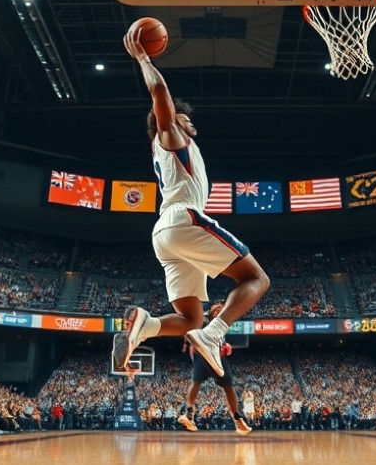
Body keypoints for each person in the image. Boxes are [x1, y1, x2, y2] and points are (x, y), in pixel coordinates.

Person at [112, 25, 270, 378]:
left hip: (165, 235)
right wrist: (143, 58)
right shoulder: (169, 137)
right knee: (256, 279)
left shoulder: (175, 150)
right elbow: (159, 91)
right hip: (183, 219)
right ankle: (214, 335)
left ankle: (147, 324)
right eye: (184, 119)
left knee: (189, 318)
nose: (190, 122)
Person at [176, 303, 251, 435]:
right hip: (202, 354)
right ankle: (189, 414)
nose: (220, 312)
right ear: (212, 310)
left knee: (229, 387)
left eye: (222, 310)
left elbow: (220, 339)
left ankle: (237, 418)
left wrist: (225, 345)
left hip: (217, 356)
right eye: (218, 309)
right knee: (196, 382)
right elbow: (190, 328)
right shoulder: (203, 319)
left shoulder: (221, 324)